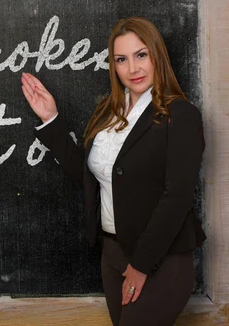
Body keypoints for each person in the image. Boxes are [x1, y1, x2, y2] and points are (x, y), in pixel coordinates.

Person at [21, 17, 205, 326]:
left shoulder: (180, 115)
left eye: (141, 55)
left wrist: (141, 265)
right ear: (114, 66)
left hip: (160, 259)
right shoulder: (108, 113)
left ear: (157, 56)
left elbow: (178, 196)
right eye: (122, 59)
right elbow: (89, 177)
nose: (133, 68)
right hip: (113, 254)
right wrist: (51, 119)